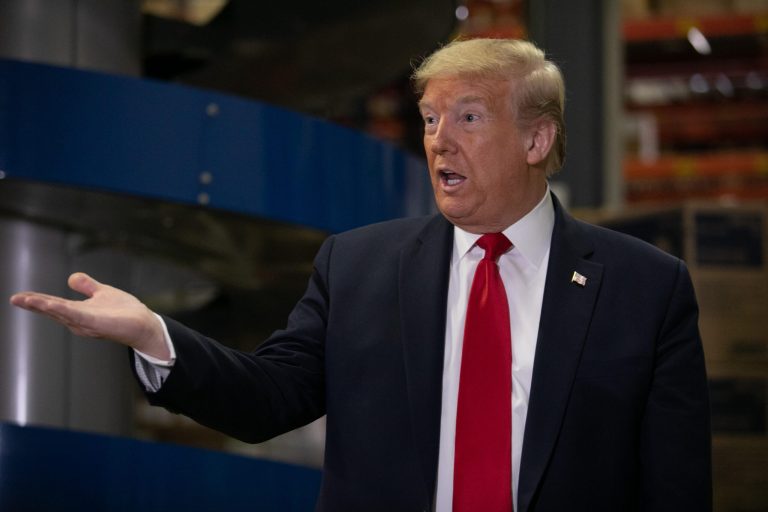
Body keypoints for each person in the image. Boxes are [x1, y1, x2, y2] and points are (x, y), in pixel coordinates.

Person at [10, 38, 711, 511]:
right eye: (430, 119)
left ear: (537, 138)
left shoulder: (646, 288)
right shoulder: (358, 265)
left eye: (468, 117)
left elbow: (676, 487)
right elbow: (267, 400)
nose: (440, 140)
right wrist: (155, 336)